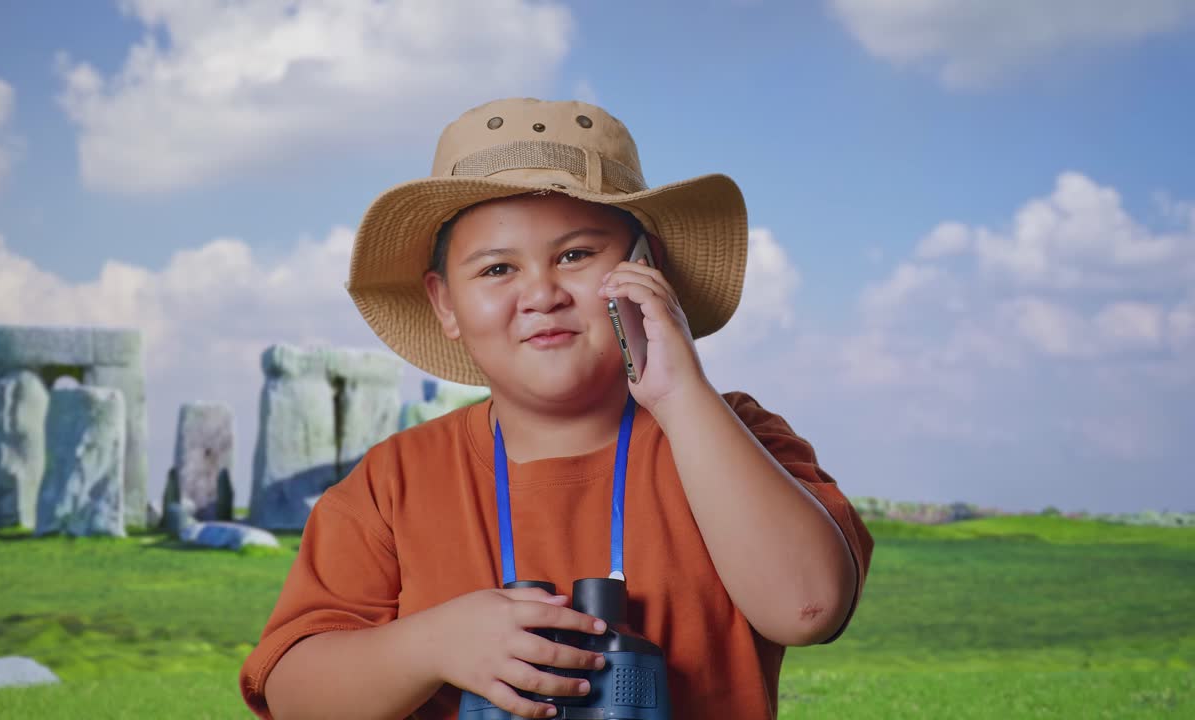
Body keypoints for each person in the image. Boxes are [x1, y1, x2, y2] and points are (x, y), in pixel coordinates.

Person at [239, 97, 874, 719]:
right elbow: (292, 695)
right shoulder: (392, 484)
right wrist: (429, 645)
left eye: (575, 256)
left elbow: (808, 609)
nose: (541, 293)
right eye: (495, 270)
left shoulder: (736, 436)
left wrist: (682, 397)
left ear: (648, 268)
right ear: (445, 304)